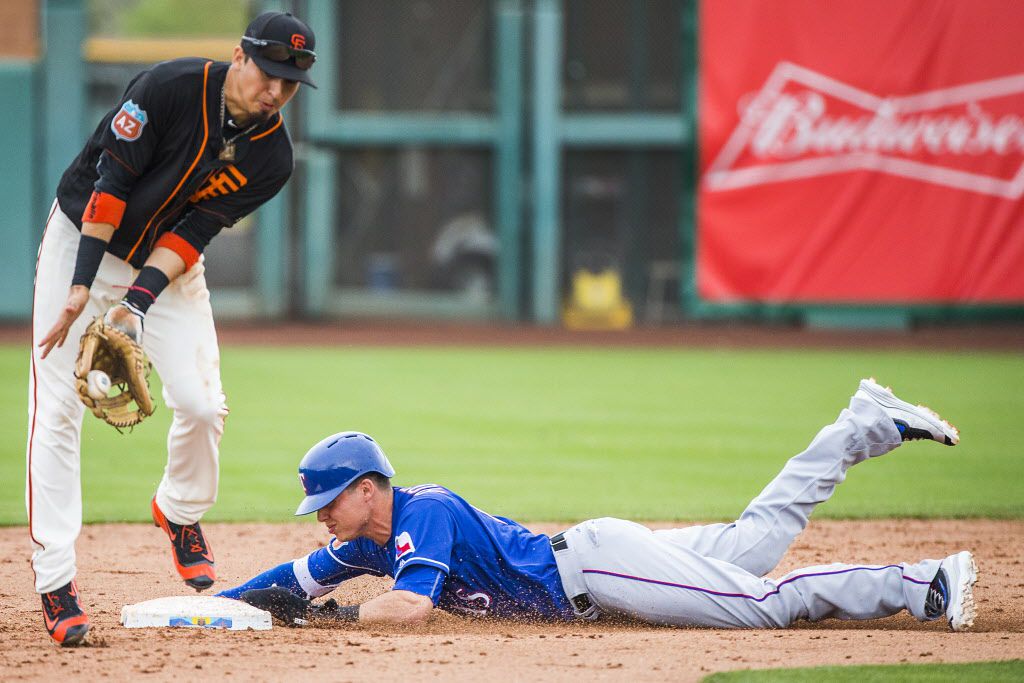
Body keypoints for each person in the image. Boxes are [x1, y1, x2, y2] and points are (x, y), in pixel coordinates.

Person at [219, 378, 978, 633]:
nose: (319, 515)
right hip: (599, 558)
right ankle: (863, 424)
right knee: (753, 542)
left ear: (366, 489)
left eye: (327, 501)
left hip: (602, 570)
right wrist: (216, 605)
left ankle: (919, 583)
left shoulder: (426, 512)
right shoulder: (367, 543)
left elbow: (410, 609)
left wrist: (337, 618)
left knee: (764, 604)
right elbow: (292, 581)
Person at [27, 11, 318, 646]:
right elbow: (110, 188)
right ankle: (56, 581)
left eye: (290, 83)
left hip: (164, 264)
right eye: (268, 72)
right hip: (83, 236)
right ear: (240, 57)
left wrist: (134, 303)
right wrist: (82, 287)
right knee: (55, 410)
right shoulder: (165, 88)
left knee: (202, 402)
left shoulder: (273, 157)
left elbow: (193, 233)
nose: (275, 90)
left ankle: (179, 510)